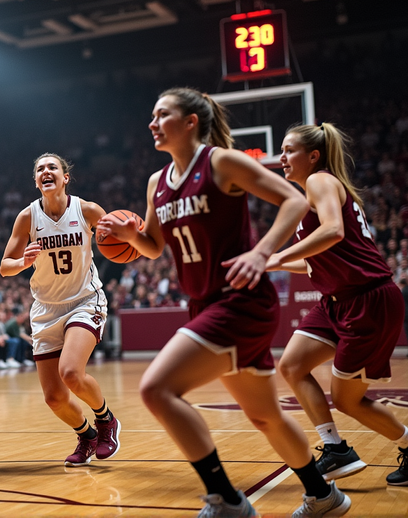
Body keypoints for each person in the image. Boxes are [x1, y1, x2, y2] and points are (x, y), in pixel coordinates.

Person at [97, 87, 348, 517]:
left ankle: (226, 499)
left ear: (190, 122)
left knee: (156, 389)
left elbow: (294, 200)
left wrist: (262, 252)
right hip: (205, 303)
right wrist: (129, 237)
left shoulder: (221, 162)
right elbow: (154, 246)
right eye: (152, 116)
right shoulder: (157, 183)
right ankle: (323, 494)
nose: (152, 123)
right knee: (265, 416)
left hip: (240, 301)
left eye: (162, 115)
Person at [271, 123, 408, 487]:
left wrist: (277, 255)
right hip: (337, 301)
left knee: (347, 400)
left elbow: (333, 231)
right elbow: (316, 259)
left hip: (368, 299)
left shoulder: (319, 180)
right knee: (292, 365)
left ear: (313, 156)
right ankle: (335, 448)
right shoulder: (313, 193)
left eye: (289, 150)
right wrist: (270, 263)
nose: (281, 157)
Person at [0, 153, 120, 467]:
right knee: (54, 398)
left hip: (84, 301)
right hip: (46, 309)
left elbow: (118, 239)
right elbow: (4, 266)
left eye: (52, 167)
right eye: (40, 169)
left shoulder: (87, 210)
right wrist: (23, 261)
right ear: (36, 181)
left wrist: (127, 237)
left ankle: (106, 420)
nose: (46, 171)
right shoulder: (27, 217)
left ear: (65, 177)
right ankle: (86, 436)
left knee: (70, 372)